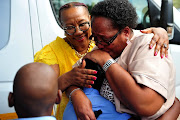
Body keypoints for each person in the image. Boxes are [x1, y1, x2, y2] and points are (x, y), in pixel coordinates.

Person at [34, 2, 170, 120]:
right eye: (69, 27)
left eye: (82, 24)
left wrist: (161, 31)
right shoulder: (98, 47)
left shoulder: (144, 46)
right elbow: (46, 92)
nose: (77, 32)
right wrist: (74, 91)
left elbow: (146, 105)